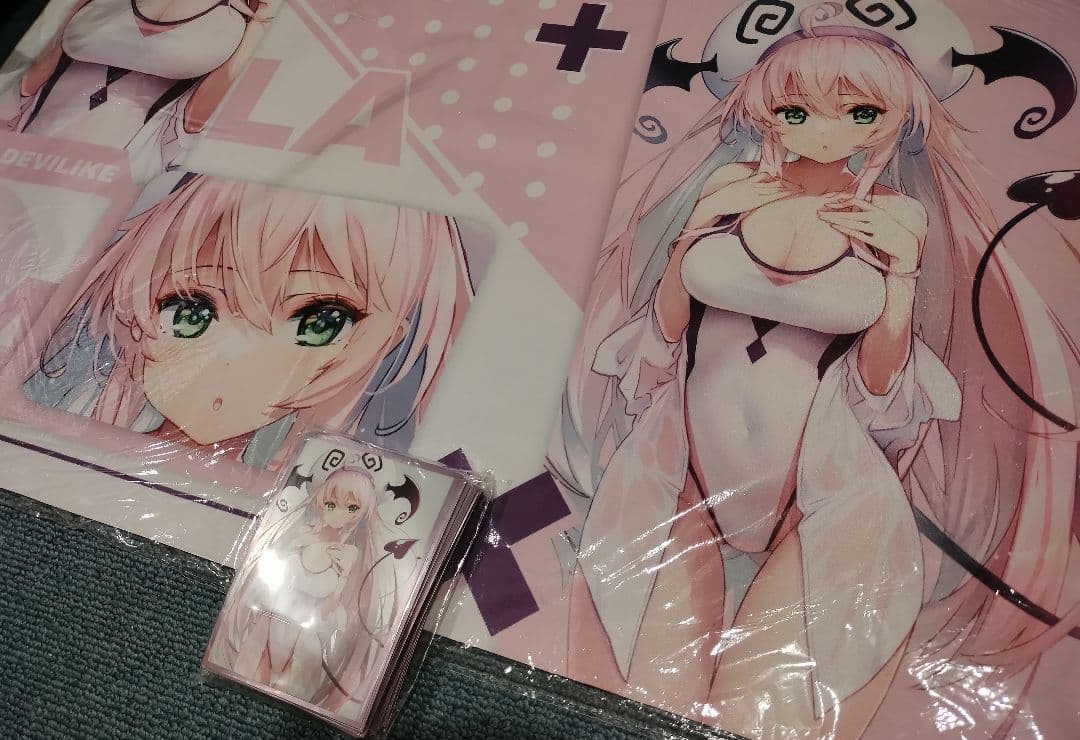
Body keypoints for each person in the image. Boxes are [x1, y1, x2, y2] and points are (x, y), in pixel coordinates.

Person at [549, 2, 1078, 737]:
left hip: (826, 495)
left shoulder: (897, 216)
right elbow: (661, 336)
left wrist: (900, 277)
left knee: (763, 719)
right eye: (796, 110)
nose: (825, 130)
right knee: (633, 703)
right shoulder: (730, 188)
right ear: (763, 108)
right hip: (678, 471)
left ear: (896, 118)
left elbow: (882, 386)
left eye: (860, 112)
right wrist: (691, 238)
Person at [24, 174, 473, 467]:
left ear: (386, 339)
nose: (229, 364)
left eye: (320, 323)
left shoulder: (314, 485)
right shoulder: (70, 421)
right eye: (191, 312)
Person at [2, 0, 277, 181]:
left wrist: (261, 25)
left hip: (113, 165)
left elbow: (195, 118)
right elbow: (34, 74)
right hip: (41, 137)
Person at [213, 467, 396, 707]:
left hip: (307, 622)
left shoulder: (347, 553)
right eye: (331, 504)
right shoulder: (303, 533)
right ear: (321, 501)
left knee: (295, 677)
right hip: (276, 612)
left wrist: (332, 599)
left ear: (361, 514)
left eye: (352, 508)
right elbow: (277, 567)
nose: (339, 513)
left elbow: (335, 594)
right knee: (255, 661)